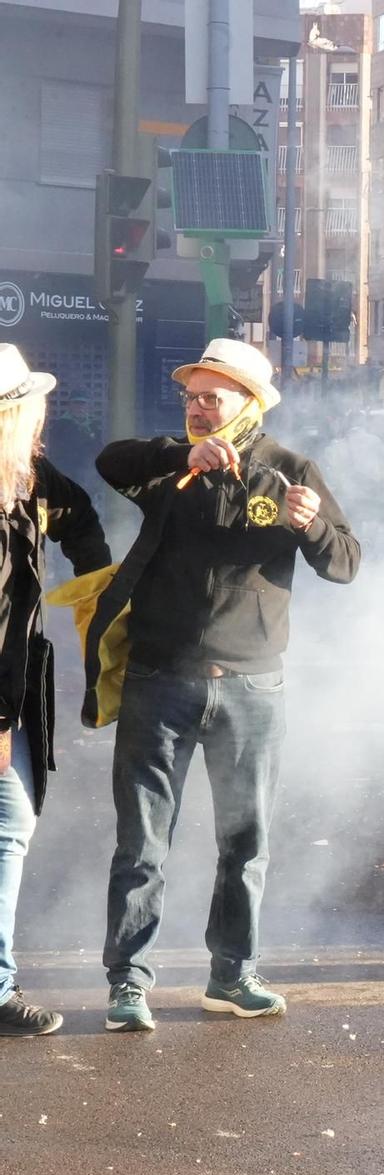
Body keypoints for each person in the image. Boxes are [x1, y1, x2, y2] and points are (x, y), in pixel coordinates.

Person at [98, 339, 361, 1033]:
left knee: (245, 842)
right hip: (159, 680)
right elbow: (109, 462)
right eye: (191, 395)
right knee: (143, 841)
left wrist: (312, 525)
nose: (198, 407)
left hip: (252, 689)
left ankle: (231, 974)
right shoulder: (167, 466)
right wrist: (177, 454)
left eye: (213, 396)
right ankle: (128, 981)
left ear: (249, 403)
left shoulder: (290, 470)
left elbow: (345, 563)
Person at [0, 347, 111, 1037]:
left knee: (11, 824)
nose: (42, 425)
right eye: (32, 411)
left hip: (12, 688)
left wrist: (98, 591)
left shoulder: (27, 481)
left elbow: (83, 517)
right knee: (11, 823)